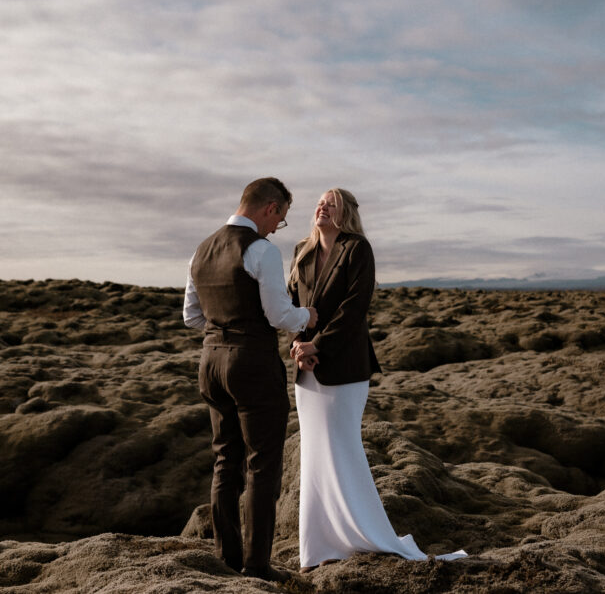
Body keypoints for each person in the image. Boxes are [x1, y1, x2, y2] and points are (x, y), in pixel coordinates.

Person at [288, 188, 467, 572]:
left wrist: (316, 344)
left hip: (345, 367)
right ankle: (316, 549)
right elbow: (293, 304)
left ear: (346, 212)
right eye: (319, 202)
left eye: (331, 203)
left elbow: (355, 308)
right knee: (314, 454)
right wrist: (298, 343)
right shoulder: (301, 250)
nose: (322, 207)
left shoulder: (357, 249)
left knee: (343, 448)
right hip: (306, 370)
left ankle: (368, 535)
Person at [183, 177, 318, 583]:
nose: (278, 228)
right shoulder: (260, 249)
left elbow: (191, 317)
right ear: (270, 209)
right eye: (281, 219)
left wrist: (223, 326)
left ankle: (227, 559)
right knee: (262, 465)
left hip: (210, 361)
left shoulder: (200, 250)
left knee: (226, 460)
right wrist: (307, 316)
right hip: (252, 363)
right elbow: (279, 315)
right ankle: (257, 565)